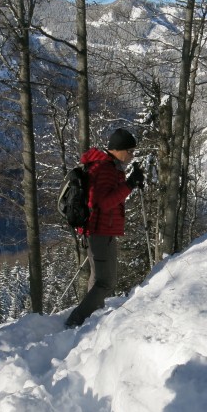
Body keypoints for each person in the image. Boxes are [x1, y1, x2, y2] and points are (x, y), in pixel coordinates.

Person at [65, 128, 144, 328]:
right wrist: (129, 185)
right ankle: (76, 320)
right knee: (106, 281)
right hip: (100, 231)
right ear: (118, 149)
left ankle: (92, 316)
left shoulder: (106, 166)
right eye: (130, 151)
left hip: (98, 230)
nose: (131, 155)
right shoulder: (106, 169)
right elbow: (103, 203)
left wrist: (128, 182)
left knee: (98, 277)